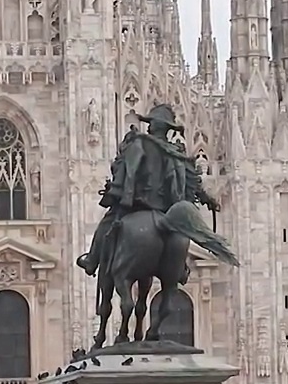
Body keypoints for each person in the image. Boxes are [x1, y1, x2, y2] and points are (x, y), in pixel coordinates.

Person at [76, 104, 221, 276]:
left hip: (139, 204)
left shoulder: (139, 143)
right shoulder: (177, 153)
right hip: (167, 209)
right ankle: (180, 269)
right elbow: (193, 184)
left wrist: (122, 195)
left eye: (151, 122)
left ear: (155, 125)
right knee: (178, 237)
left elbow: (128, 171)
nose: (149, 125)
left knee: (107, 221)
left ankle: (92, 260)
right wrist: (209, 201)